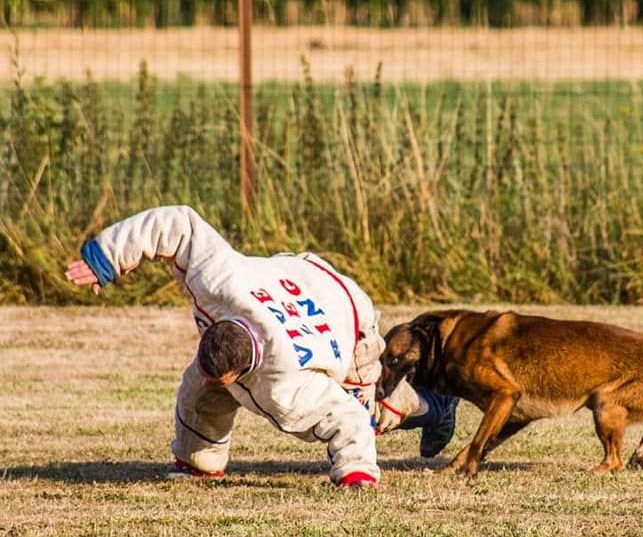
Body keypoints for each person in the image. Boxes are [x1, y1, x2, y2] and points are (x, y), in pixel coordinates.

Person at [65, 205, 454, 487]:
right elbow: (177, 223)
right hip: (297, 275)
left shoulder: (285, 386)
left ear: (241, 372)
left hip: (350, 319)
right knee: (201, 388)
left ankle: (436, 408)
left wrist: (355, 474)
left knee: (367, 414)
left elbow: (346, 418)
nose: (207, 375)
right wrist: (107, 258)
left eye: (222, 376)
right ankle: (200, 461)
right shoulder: (220, 283)